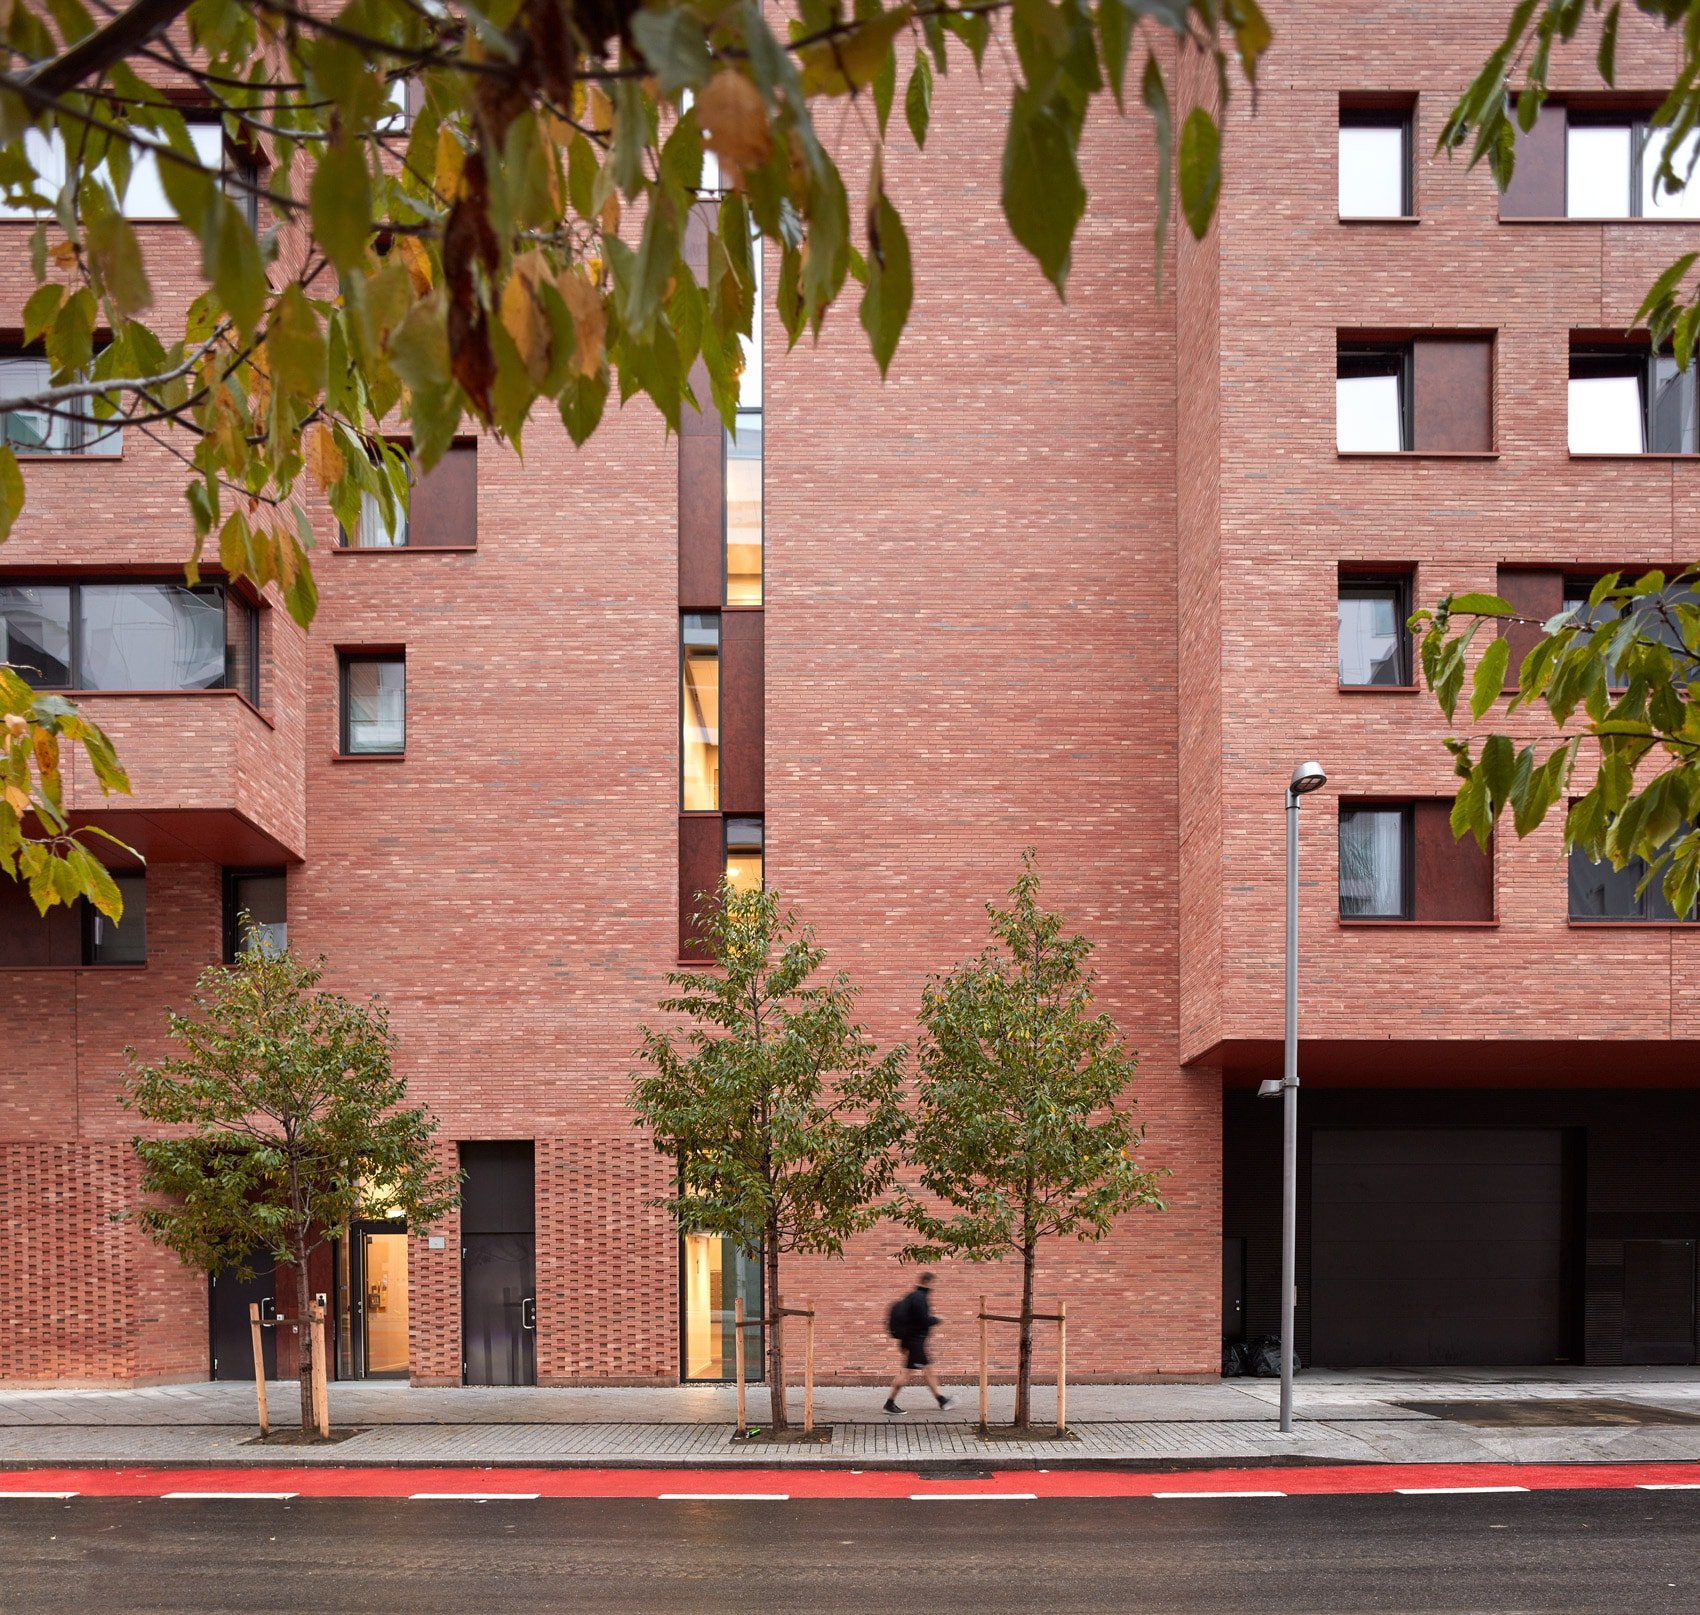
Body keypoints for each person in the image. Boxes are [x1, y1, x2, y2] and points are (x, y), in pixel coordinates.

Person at [884, 1271, 954, 1414]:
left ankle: (941, 1400)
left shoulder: (912, 1296)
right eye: (934, 1283)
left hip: (913, 1340)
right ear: (927, 1282)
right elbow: (923, 1320)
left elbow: (911, 1319)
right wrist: (937, 1319)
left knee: (928, 1369)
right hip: (915, 1341)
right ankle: (889, 1403)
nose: (935, 1287)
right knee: (907, 1372)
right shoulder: (919, 1298)